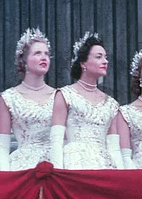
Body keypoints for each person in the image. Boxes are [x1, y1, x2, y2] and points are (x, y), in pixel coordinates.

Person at [50, 32, 122, 169]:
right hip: (75, 163)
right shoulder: (65, 95)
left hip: (105, 165)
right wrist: (57, 173)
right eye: (99, 57)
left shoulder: (112, 104)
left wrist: (123, 177)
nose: (105, 61)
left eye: (106, 57)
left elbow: (114, 148)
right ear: (83, 63)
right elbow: (56, 141)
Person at [0, 28, 55, 170]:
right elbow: (3, 146)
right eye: (37, 53)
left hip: (54, 164)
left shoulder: (59, 96)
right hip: (23, 166)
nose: (44, 57)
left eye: (46, 54)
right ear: (24, 61)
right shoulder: (8, 98)